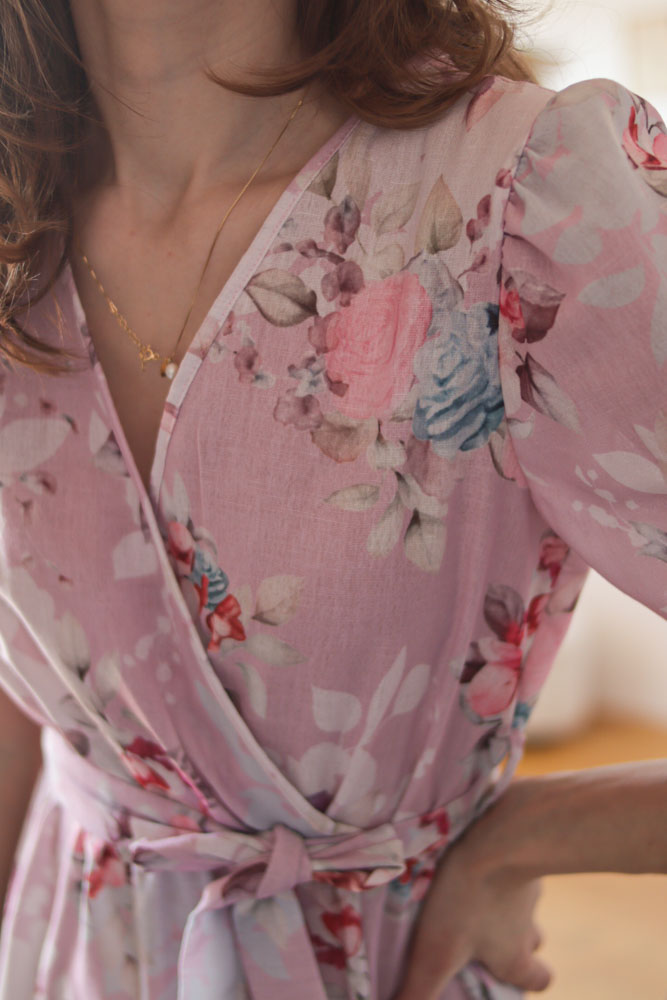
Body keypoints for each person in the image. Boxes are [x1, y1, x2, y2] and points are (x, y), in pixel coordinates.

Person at [0, 1, 665, 998]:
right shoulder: (17, 216)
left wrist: (532, 835)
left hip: (388, 965)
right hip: (75, 953)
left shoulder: (522, 199)